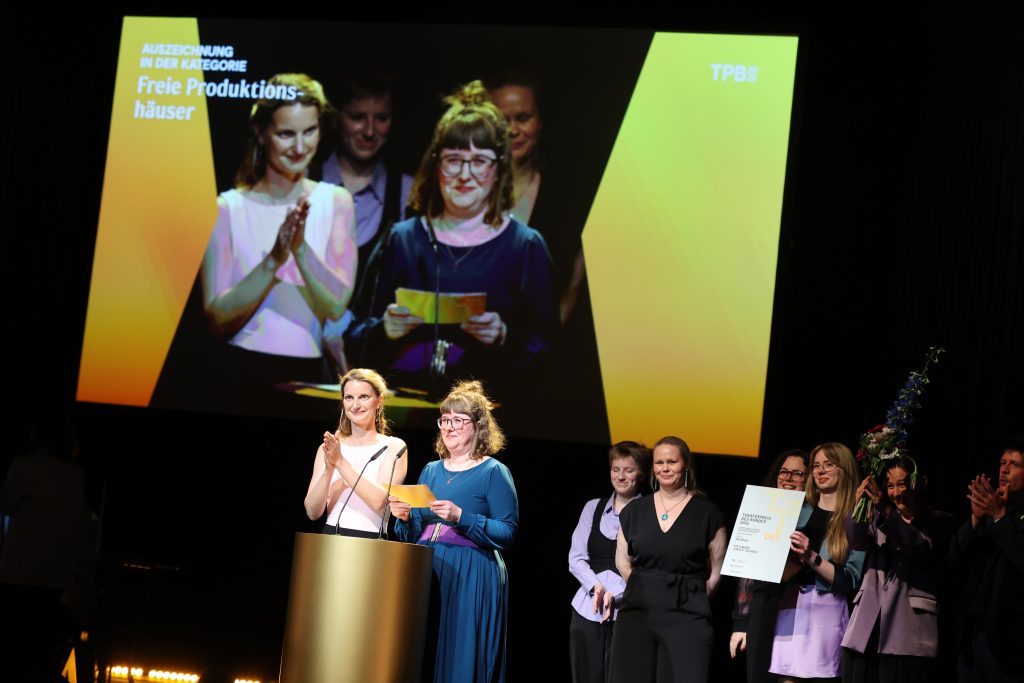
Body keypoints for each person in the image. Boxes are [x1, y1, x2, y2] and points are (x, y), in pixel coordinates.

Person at [347, 80, 557, 400]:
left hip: (488, 416)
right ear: (436, 166)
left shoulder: (525, 247)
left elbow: (548, 348)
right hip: (404, 407)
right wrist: (383, 330)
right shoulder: (401, 240)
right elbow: (354, 335)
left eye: (479, 162)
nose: (464, 175)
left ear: (498, 169)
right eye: (454, 160)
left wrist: (504, 336)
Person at [200, 73, 357, 383]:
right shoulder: (228, 207)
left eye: (310, 131)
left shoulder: (336, 201)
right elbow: (217, 319)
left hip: (307, 377)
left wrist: (299, 248)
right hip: (238, 372)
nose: (300, 147)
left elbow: (336, 305)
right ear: (261, 133)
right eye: (286, 134)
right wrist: (274, 258)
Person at [389, 380, 518, 683]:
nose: (449, 427)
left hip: (470, 572)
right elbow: (415, 532)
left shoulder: (493, 471)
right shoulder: (432, 470)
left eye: (458, 420)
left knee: (460, 656)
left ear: (478, 426)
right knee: (426, 652)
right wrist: (405, 518)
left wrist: (463, 517)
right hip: (427, 568)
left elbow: (508, 531)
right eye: (444, 420)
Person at [607, 436, 728, 683]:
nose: (665, 468)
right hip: (637, 613)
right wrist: (649, 587)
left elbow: (718, 569)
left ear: (686, 465)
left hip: (688, 614)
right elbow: (622, 562)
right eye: (659, 462)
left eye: (671, 461)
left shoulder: (708, 513)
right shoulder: (634, 511)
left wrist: (694, 593)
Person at [317, 73, 414, 366]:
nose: (370, 131)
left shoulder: (408, 193)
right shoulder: (307, 181)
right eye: (358, 117)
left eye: (381, 118)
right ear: (336, 119)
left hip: (374, 355)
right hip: (307, 344)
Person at [840, 455, 953, 683]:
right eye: (890, 486)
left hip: (907, 634)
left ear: (921, 482)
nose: (895, 492)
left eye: (901, 484)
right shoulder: (881, 518)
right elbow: (857, 541)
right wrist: (858, 506)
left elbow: (920, 547)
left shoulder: (939, 520)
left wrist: (886, 512)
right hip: (867, 628)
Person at [488, 73, 585, 324]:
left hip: (541, 351)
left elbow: (576, 271)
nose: (512, 130)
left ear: (539, 121)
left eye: (523, 118)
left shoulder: (564, 198)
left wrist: (549, 337)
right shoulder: (469, 192)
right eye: (501, 120)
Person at [769, 442, 866, 683]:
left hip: (826, 614)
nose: (820, 471)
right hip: (789, 606)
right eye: (816, 466)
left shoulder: (856, 518)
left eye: (829, 465)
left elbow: (850, 581)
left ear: (845, 469)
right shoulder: (795, 511)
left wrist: (811, 556)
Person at [568, 441, 651, 683]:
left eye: (629, 470)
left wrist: (618, 596)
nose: (621, 476)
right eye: (616, 469)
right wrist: (596, 588)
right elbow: (576, 557)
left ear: (642, 474)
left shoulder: (651, 513)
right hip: (587, 610)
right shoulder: (593, 508)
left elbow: (649, 567)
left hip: (629, 611)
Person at [729, 449, 810, 683]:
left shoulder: (815, 514)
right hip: (764, 606)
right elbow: (747, 574)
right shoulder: (761, 510)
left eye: (797, 474)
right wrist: (741, 623)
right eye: (783, 472)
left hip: (798, 607)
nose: (788, 479)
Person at [949, 436, 1024, 683]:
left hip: (1008, 644)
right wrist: (976, 520)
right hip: (972, 638)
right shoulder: (994, 510)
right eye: (1003, 462)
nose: (1004, 469)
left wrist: (999, 518)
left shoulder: (1004, 515)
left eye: (1014, 464)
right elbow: (952, 560)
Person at [304, 368, 407, 538]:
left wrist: (340, 462)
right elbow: (312, 512)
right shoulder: (330, 449)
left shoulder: (394, 447)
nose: (355, 405)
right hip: (331, 537)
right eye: (349, 398)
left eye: (364, 397)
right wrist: (328, 469)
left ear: (379, 400)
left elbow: (379, 501)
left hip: (371, 540)